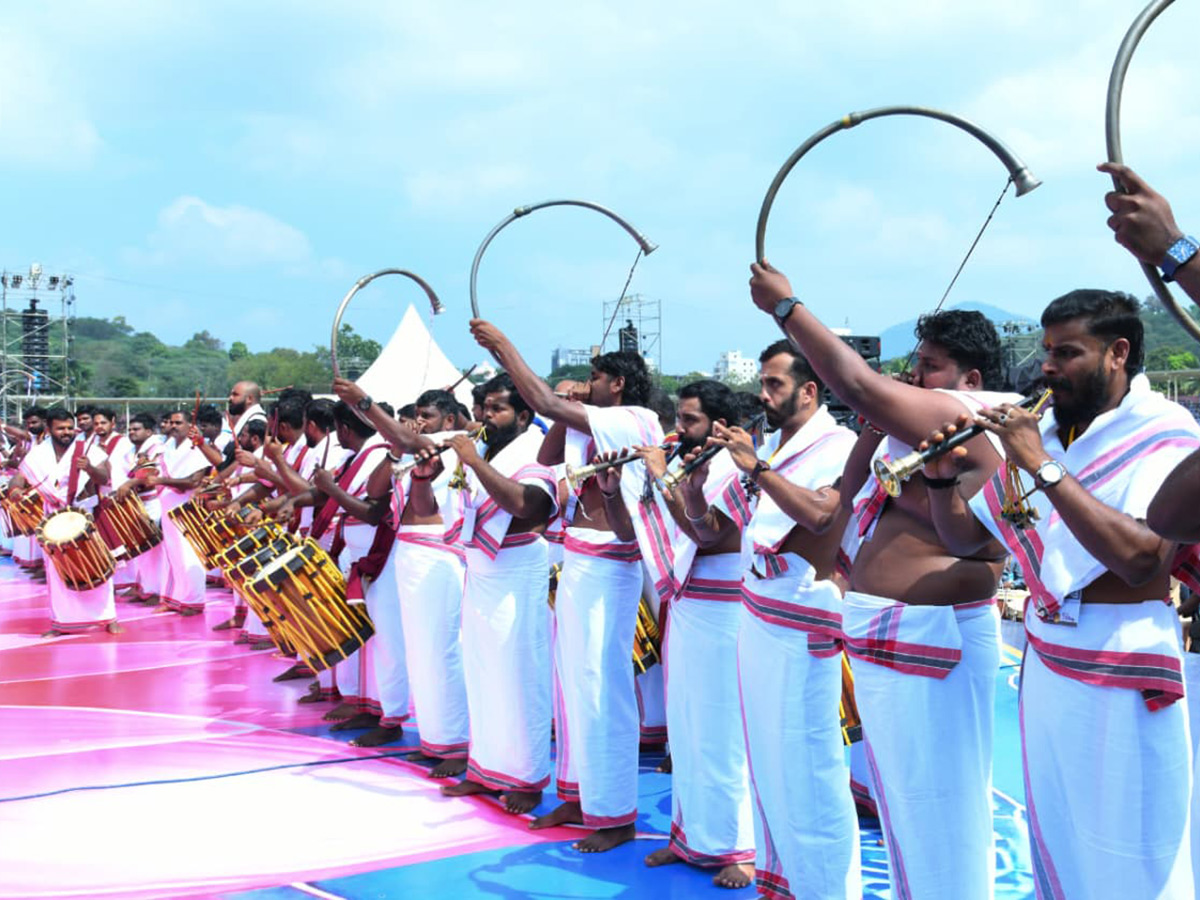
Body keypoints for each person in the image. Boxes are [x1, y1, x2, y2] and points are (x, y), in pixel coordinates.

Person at [749, 262, 1013, 899]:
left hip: (937, 634)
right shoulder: (918, 432)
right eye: (914, 365)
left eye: (928, 367)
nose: (914, 379)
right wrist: (874, 428)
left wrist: (787, 308)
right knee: (907, 812)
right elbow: (849, 498)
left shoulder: (979, 420)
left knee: (940, 809)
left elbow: (861, 385)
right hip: (891, 633)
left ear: (970, 381)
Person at [923, 288, 1197, 899]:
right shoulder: (1046, 429)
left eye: (1067, 352)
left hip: (1125, 661)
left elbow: (1140, 557)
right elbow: (973, 543)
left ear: (1118, 353)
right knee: (1062, 834)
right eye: (1047, 350)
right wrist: (942, 483)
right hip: (1048, 659)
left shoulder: (1163, 428)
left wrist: (1040, 464)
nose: (1047, 366)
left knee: (1133, 848)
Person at [472, 320, 661, 852]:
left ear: (618, 384)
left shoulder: (634, 418)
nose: (589, 383)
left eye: (596, 376)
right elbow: (550, 455)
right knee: (573, 685)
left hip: (611, 564)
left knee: (603, 686)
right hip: (578, 561)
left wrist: (505, 348)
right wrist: (562, 401)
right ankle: (580, 793)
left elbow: (544, 407)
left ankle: (616, 814)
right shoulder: (593, 421)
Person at [633, 379, 759, 889]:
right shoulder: (692, 462)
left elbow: (709, 534)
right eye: (679, 419)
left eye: (689, 421)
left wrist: (662, 479)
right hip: (688, 603)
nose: (678, 429)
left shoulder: (733, 468)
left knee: (725, 730)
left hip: (724, 608)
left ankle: (741, 848)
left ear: (718, 425)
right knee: (687, 727)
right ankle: (692, 839)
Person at [434, 372, 557, 816]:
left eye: (498, 408)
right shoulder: (489, 447)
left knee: (519, 675)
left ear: (524, 415)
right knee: (482, 672)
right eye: (485, 408)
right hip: (482, 568)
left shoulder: (534, 451)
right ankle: (485, 768)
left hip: (518, 567)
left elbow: (526, 505)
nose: (488, 416)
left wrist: (472, 462)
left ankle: (526, 778)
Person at [360, 387, 471, 760]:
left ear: (450, 420)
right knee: (412, 647)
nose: (420, 421)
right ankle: (433, 737)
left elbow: (409, 437)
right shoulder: (411, 449)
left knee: (440, 650)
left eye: (428, 415)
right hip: (405, 548)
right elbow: (374, 492)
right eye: (418, 415)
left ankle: (454, 744)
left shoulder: (453, 443)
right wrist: (395, 450)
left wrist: (363, 401)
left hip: (437, 551)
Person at [9, 407, 120, 636]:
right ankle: (62, 622)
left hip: (86, 514)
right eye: (61, 428)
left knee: (99, 567)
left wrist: (88, 467)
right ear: (49, 429)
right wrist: (16, 491)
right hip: (53, 520)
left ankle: (108, 618)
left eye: (70, 427)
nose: (66, 432)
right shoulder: (38, 454)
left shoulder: (87, 448)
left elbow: (104, 477)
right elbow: (17, 480)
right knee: (57, 572)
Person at [147, 410, 213, 616]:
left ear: (189, 426)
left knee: (190, 554)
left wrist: (160, 481)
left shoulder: (198, 448)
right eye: (172, 422)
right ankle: (174, 598)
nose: (174, 426)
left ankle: (193, 601)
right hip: (168, 507)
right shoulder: (167, 447)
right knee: (172, 555)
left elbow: (193, 482)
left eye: (179, 422)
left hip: (188, 508)